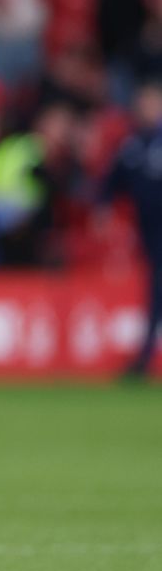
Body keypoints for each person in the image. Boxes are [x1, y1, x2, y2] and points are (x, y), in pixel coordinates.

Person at [102, 81, 162, 379]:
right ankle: (144, 357)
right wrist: (102, 205)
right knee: (156, 293)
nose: (148, 109)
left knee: (157, 293)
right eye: (144, 103)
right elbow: (112, 182)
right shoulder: (133, 145)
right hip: (150, 234)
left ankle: (143, 357)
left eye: (154, 103)